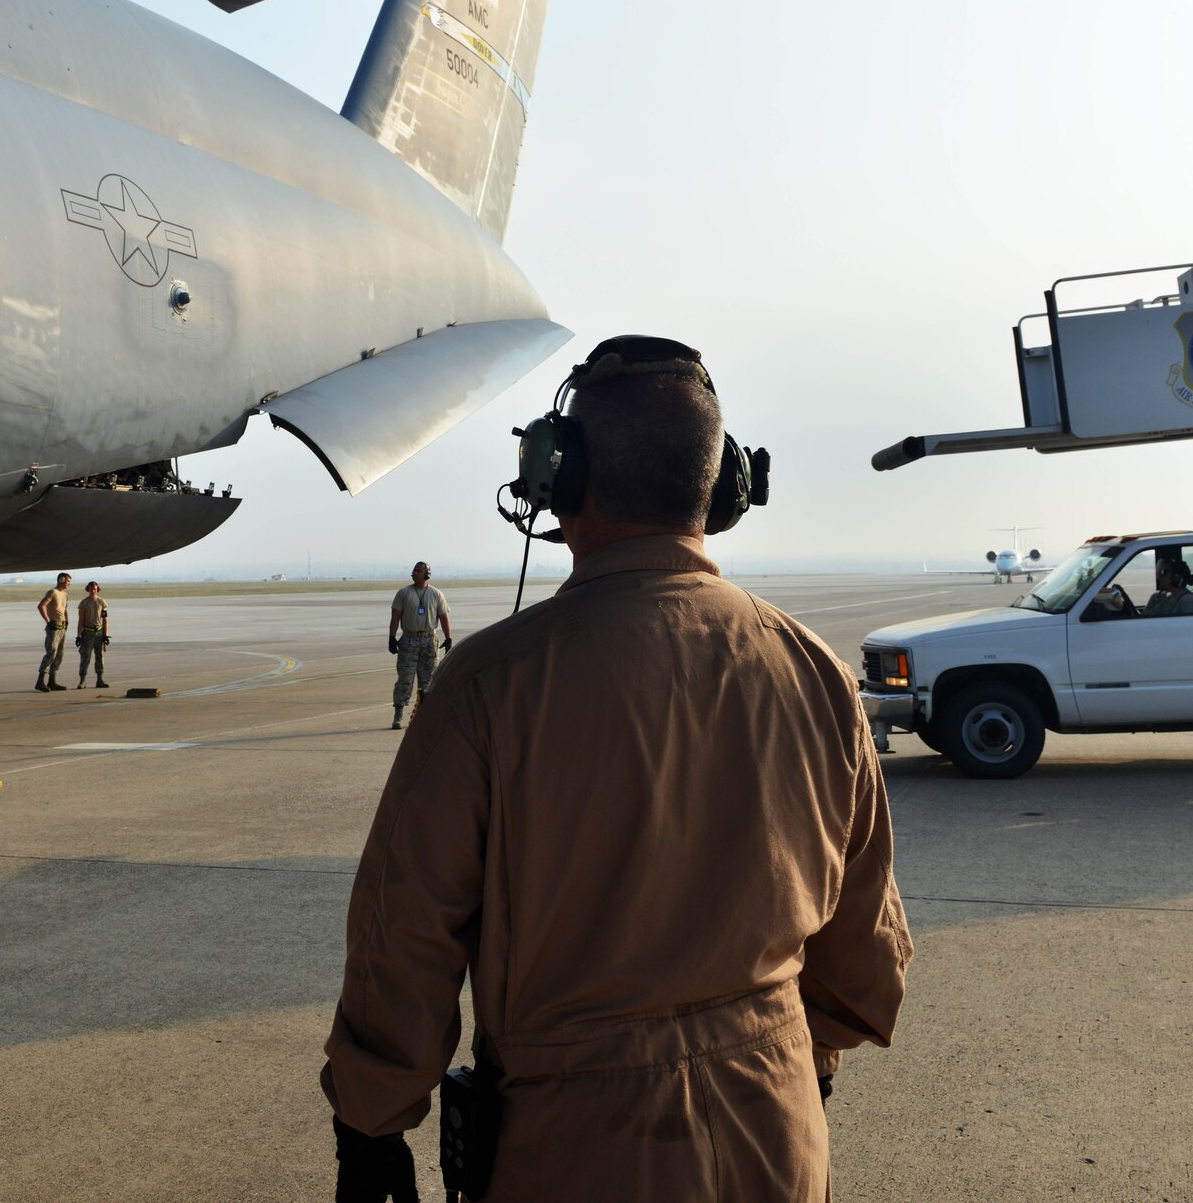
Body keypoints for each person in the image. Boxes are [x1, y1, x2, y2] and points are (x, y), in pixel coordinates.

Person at [323, 339, 910, 1202]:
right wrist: (795, 1058)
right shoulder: (815, 671)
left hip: (573, 1150)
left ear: (563, 476)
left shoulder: (487, 687)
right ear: (723, 488)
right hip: (780, 1137)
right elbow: (864, 951)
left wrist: (369, 1133)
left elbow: (403, 934)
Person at [386, 561, 452, 729]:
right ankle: (398, 714)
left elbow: (444, 617)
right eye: (414, 570)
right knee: (405, 678)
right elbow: (395, 617)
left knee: (428, 681)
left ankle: (423, 715)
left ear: (427, 574)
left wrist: (448, 638)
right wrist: (392, 638)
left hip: (429, 640)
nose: (415, 572)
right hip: (409, 640)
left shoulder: (436, 594)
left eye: (419, 570)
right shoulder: (403, 593)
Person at [36, 572, 72, 691]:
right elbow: (41, 606)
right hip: (54, 627)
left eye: (69, 582)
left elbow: (65, 609)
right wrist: (48, 621)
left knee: (59, 655)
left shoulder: (65, 595)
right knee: (51, 653)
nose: (68, 584)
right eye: (67, 581)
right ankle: (40, 682)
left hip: (62, 627)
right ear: (61, 580)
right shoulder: (52, 592)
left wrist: (67, 621)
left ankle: (52, 681)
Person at [75, 580, 110, 689]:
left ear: (97, 589)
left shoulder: (101, 602)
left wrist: (105, 635)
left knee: (100, 657)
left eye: (94, 588)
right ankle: (82, 681)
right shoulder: (84, 603)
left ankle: (100, 680)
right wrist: (78, 635)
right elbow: (81, 620)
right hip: (87, 633)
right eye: (91, 589)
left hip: (99, 633)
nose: (93, 590)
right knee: (85, 657)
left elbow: (105, 619)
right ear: (88, 590)